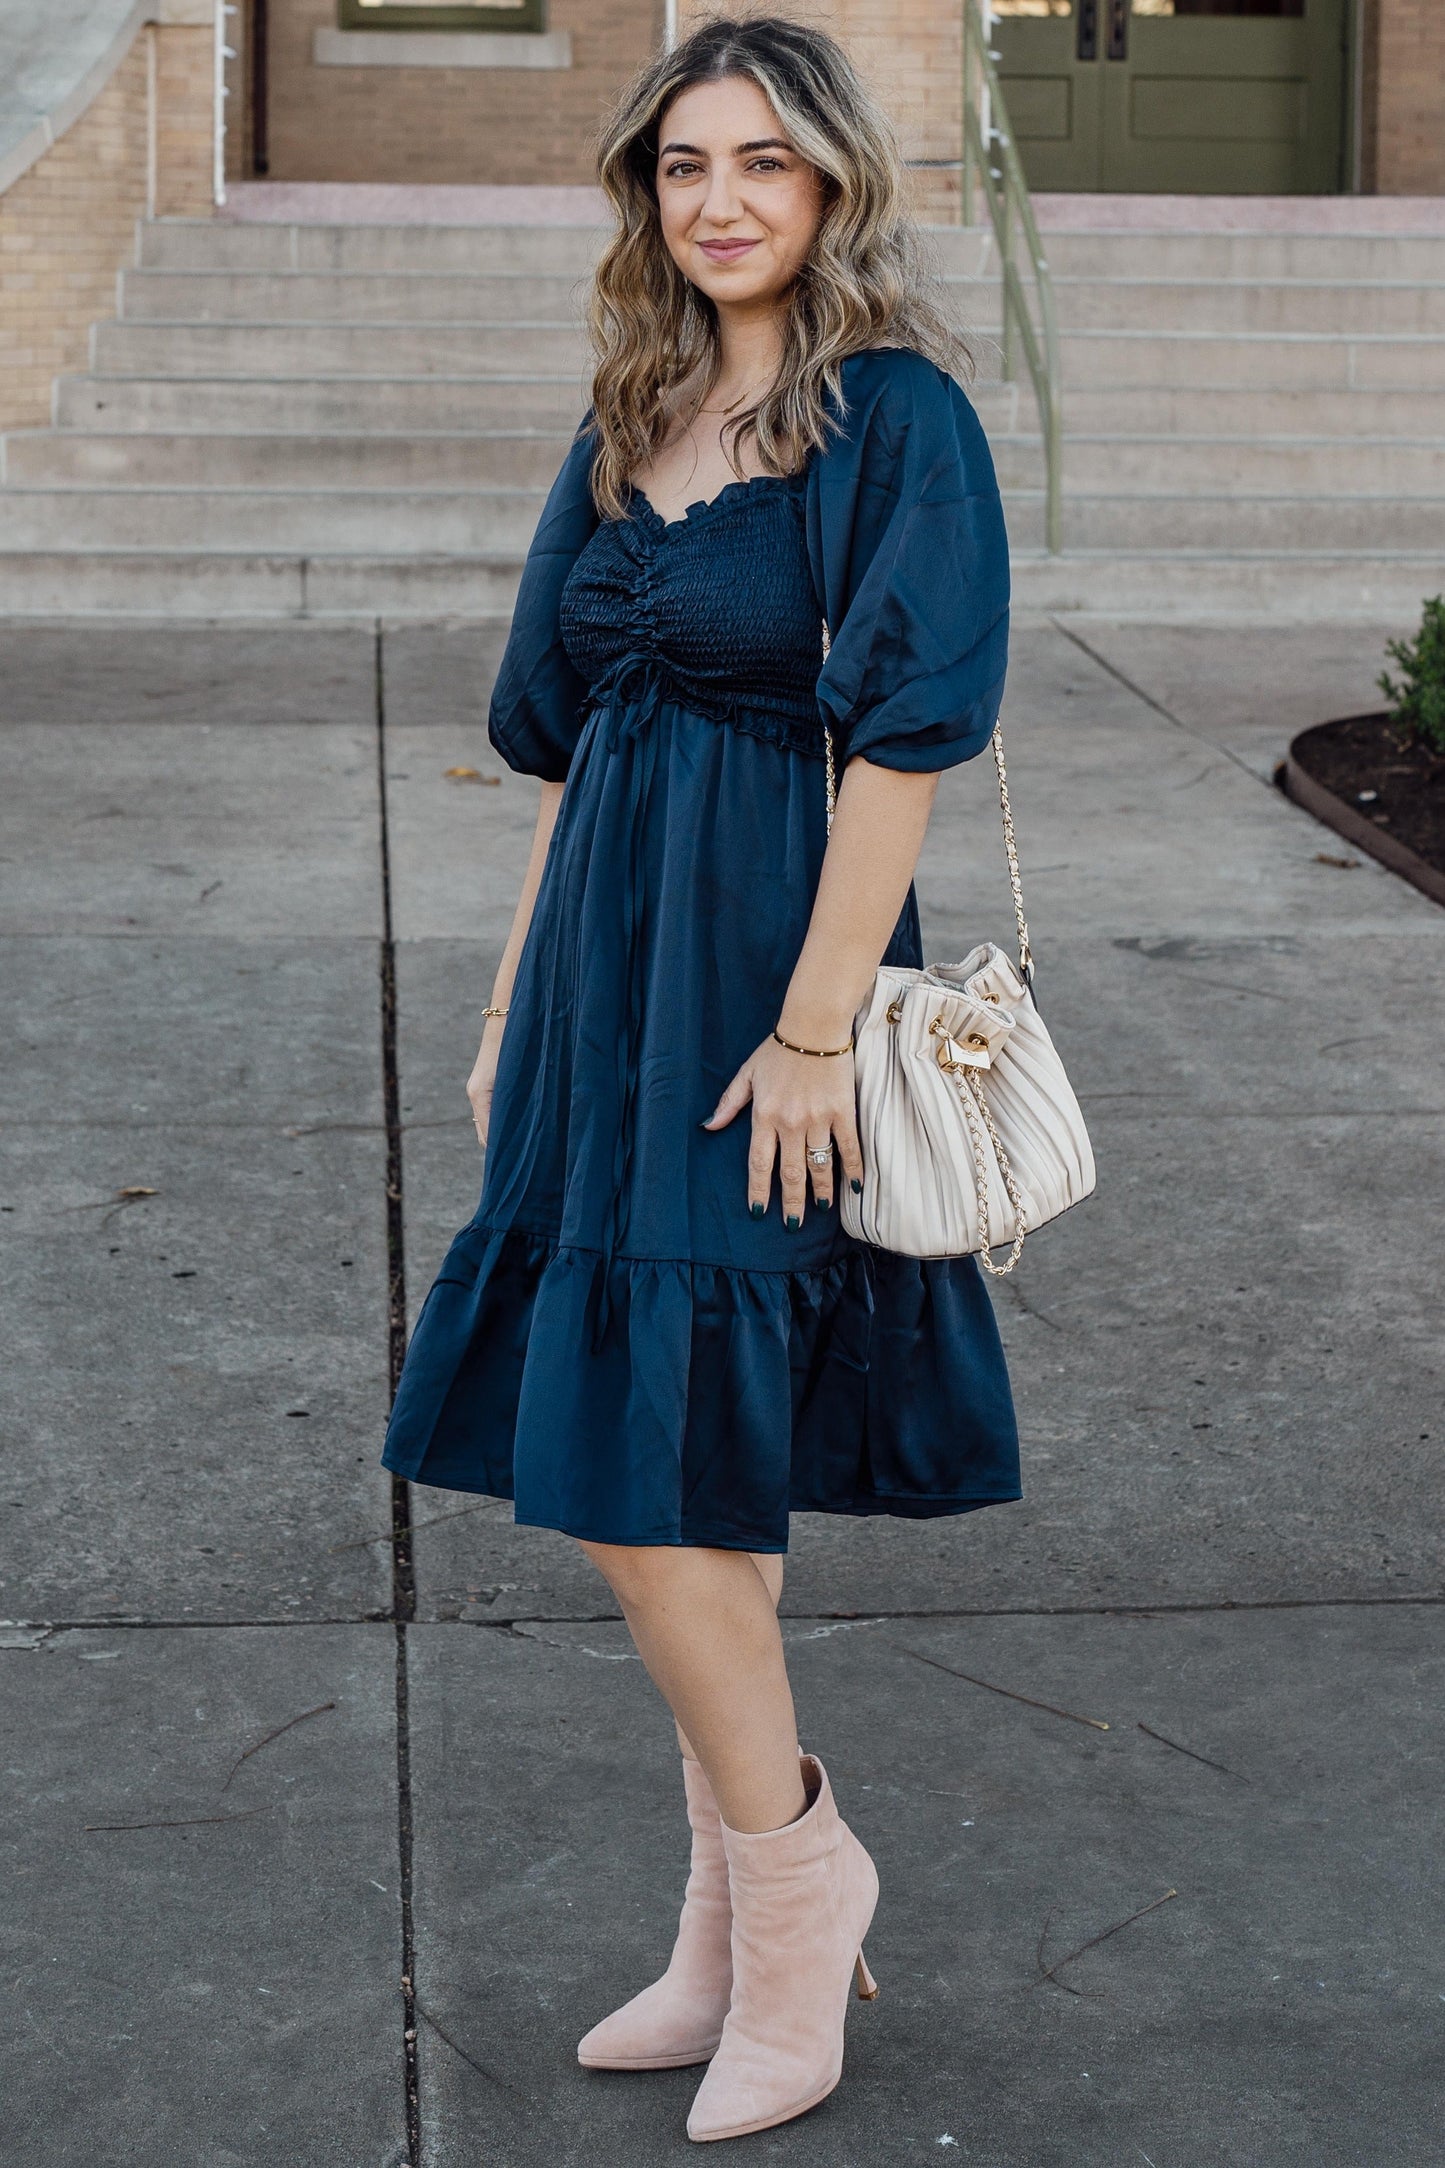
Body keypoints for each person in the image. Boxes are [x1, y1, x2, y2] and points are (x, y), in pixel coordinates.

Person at [382, 15, 1019, 2143]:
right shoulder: (633, 405)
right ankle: (735, 1925)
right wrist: (504, 1004)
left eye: (763, 160)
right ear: (646, 198)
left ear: (834, 184)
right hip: (602, 981)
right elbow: (580, 747)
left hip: (772, 981)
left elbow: (912, 743)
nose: (721, 198)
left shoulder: (896, 418)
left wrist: (821, 1021)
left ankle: (799, 1875)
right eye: (681, 166)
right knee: (663, 1474)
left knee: (654, 1475)